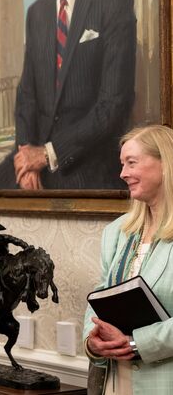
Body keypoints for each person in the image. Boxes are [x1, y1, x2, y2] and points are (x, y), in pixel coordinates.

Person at [0, 0, 136, 190]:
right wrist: (26, 155)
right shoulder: (37, 12)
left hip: (86, 157)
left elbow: (114, 105)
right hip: (35, 154)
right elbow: (27, 96)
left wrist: (47, 154)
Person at [84, 125, 173, 394]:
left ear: (165, 163)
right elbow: (101, 294)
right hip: (115, 380)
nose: (123, 173)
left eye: (131, 163)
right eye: (122, 164)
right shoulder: (117, 232)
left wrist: (136, 344)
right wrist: (92, 341)